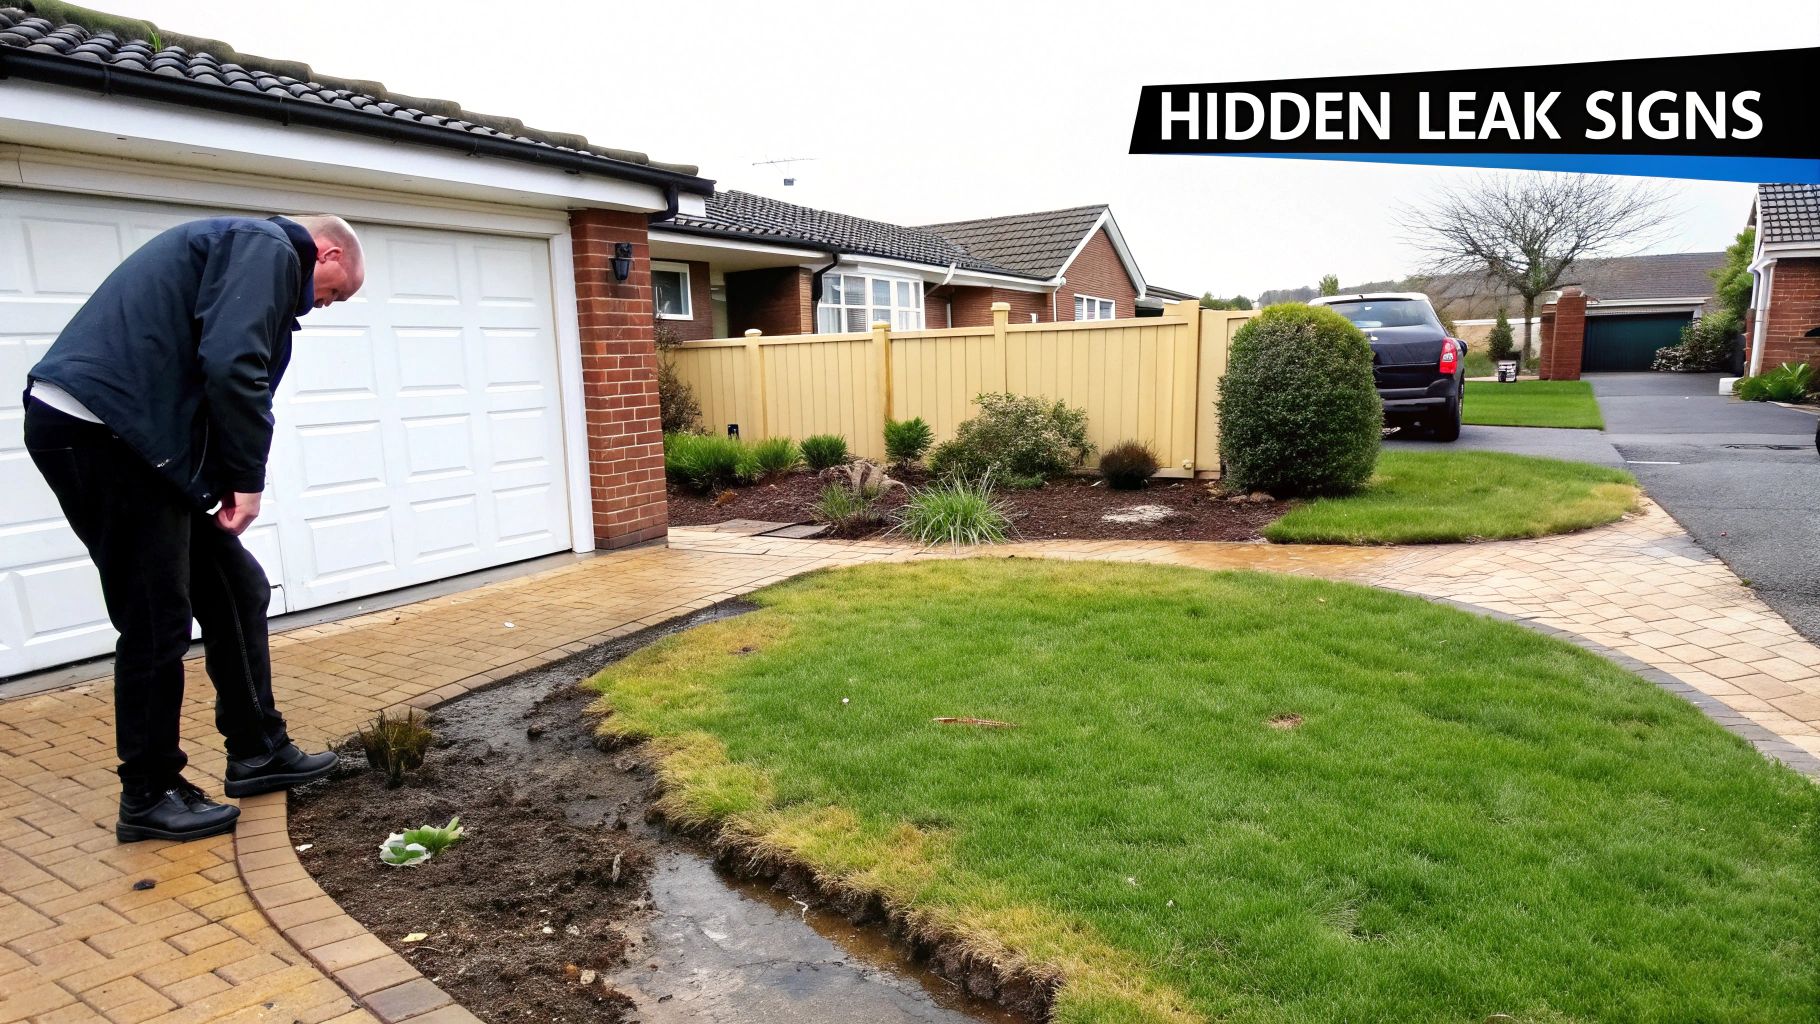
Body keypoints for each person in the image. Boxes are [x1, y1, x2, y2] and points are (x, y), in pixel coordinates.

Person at [23, 213, 365, 843]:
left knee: (238, 588)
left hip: (141, 443)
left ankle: (258, 749)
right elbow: (235, 364)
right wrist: (246, 480)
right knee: (156, 617)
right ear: (329, 252)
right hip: (100, 434)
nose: (323, 307)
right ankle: (149, 794)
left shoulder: (241, 251)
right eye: (335, 292)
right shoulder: (265, 246)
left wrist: (210, 480)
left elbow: (199, 372)